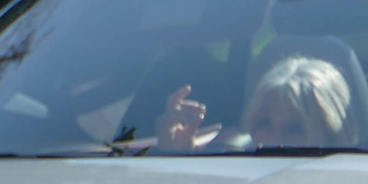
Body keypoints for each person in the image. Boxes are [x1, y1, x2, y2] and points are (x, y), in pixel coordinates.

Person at [151, 55, 356, 153]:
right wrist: (177, 154)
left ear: (331, 135)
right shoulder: (230, 168)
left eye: (295, 128)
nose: (274, 141)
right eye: (264, 124)